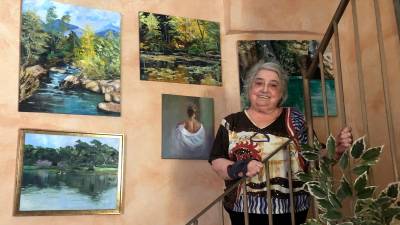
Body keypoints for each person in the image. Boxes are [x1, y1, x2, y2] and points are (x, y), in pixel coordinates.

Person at [209, 62, 352, 225]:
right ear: (250, 87)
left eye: (273, 85)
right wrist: (241, 168)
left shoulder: (295, 119)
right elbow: (217, 161)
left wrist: (337, 149)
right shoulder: (231, 122)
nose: (264, 89)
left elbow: (313, 158)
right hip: (243, 211)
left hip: (292, 212)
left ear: (281, 92)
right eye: (259, 83)